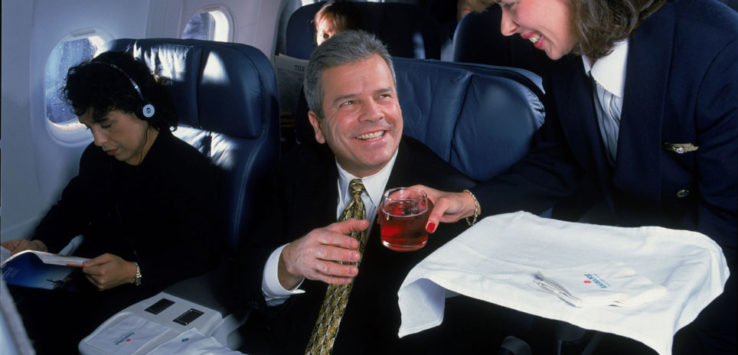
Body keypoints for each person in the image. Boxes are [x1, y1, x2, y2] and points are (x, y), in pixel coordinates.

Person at [417, 0, 738, 353]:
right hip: (626, 260)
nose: (505, 29)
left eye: (511, 6)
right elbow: (562, 158)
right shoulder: (565, 49)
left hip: (710, 282)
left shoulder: (719, 50)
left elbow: (728, 227)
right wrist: (470, 201)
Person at [235, 30, 506, 354]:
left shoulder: (450, 199)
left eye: (384, 96)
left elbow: (474, 332)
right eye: (349, 102)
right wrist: (288, 263)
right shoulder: (292, 172)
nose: (373, 114)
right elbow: (241, 277)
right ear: (318, 125)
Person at [2, 51, 220, 354]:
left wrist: (134, 271)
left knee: (65, 334)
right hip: (86, 276)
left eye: (106, 124)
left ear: (143, 110)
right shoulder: (97, 159)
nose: (98, 140)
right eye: (90, 128)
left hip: (147, 287)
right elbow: (70, 210)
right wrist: (40, 245)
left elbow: (201, 253)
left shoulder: (188, 170)